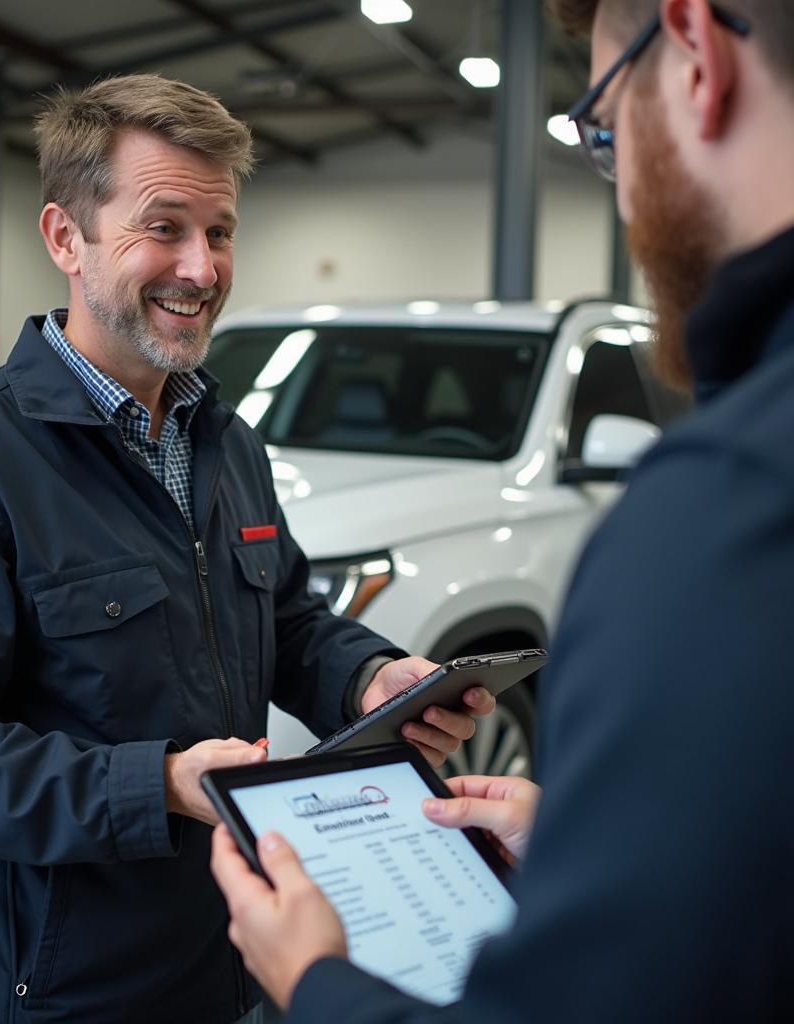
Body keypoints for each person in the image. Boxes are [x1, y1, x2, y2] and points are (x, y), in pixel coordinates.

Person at [0, 75, 491, 1024]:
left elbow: (284, 616)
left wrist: (369, 680)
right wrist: (155, 787)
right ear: (67, 238)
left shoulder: (224, 440)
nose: (201, 268)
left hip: (233, 958)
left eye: (220, 232)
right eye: (165, 227)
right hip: (70, 994)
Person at [210, 1, 794, 1020]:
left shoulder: (721, 507)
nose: (617, 191)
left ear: (693, 51)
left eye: (604, 131)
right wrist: (598, 838)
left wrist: (316, 982)